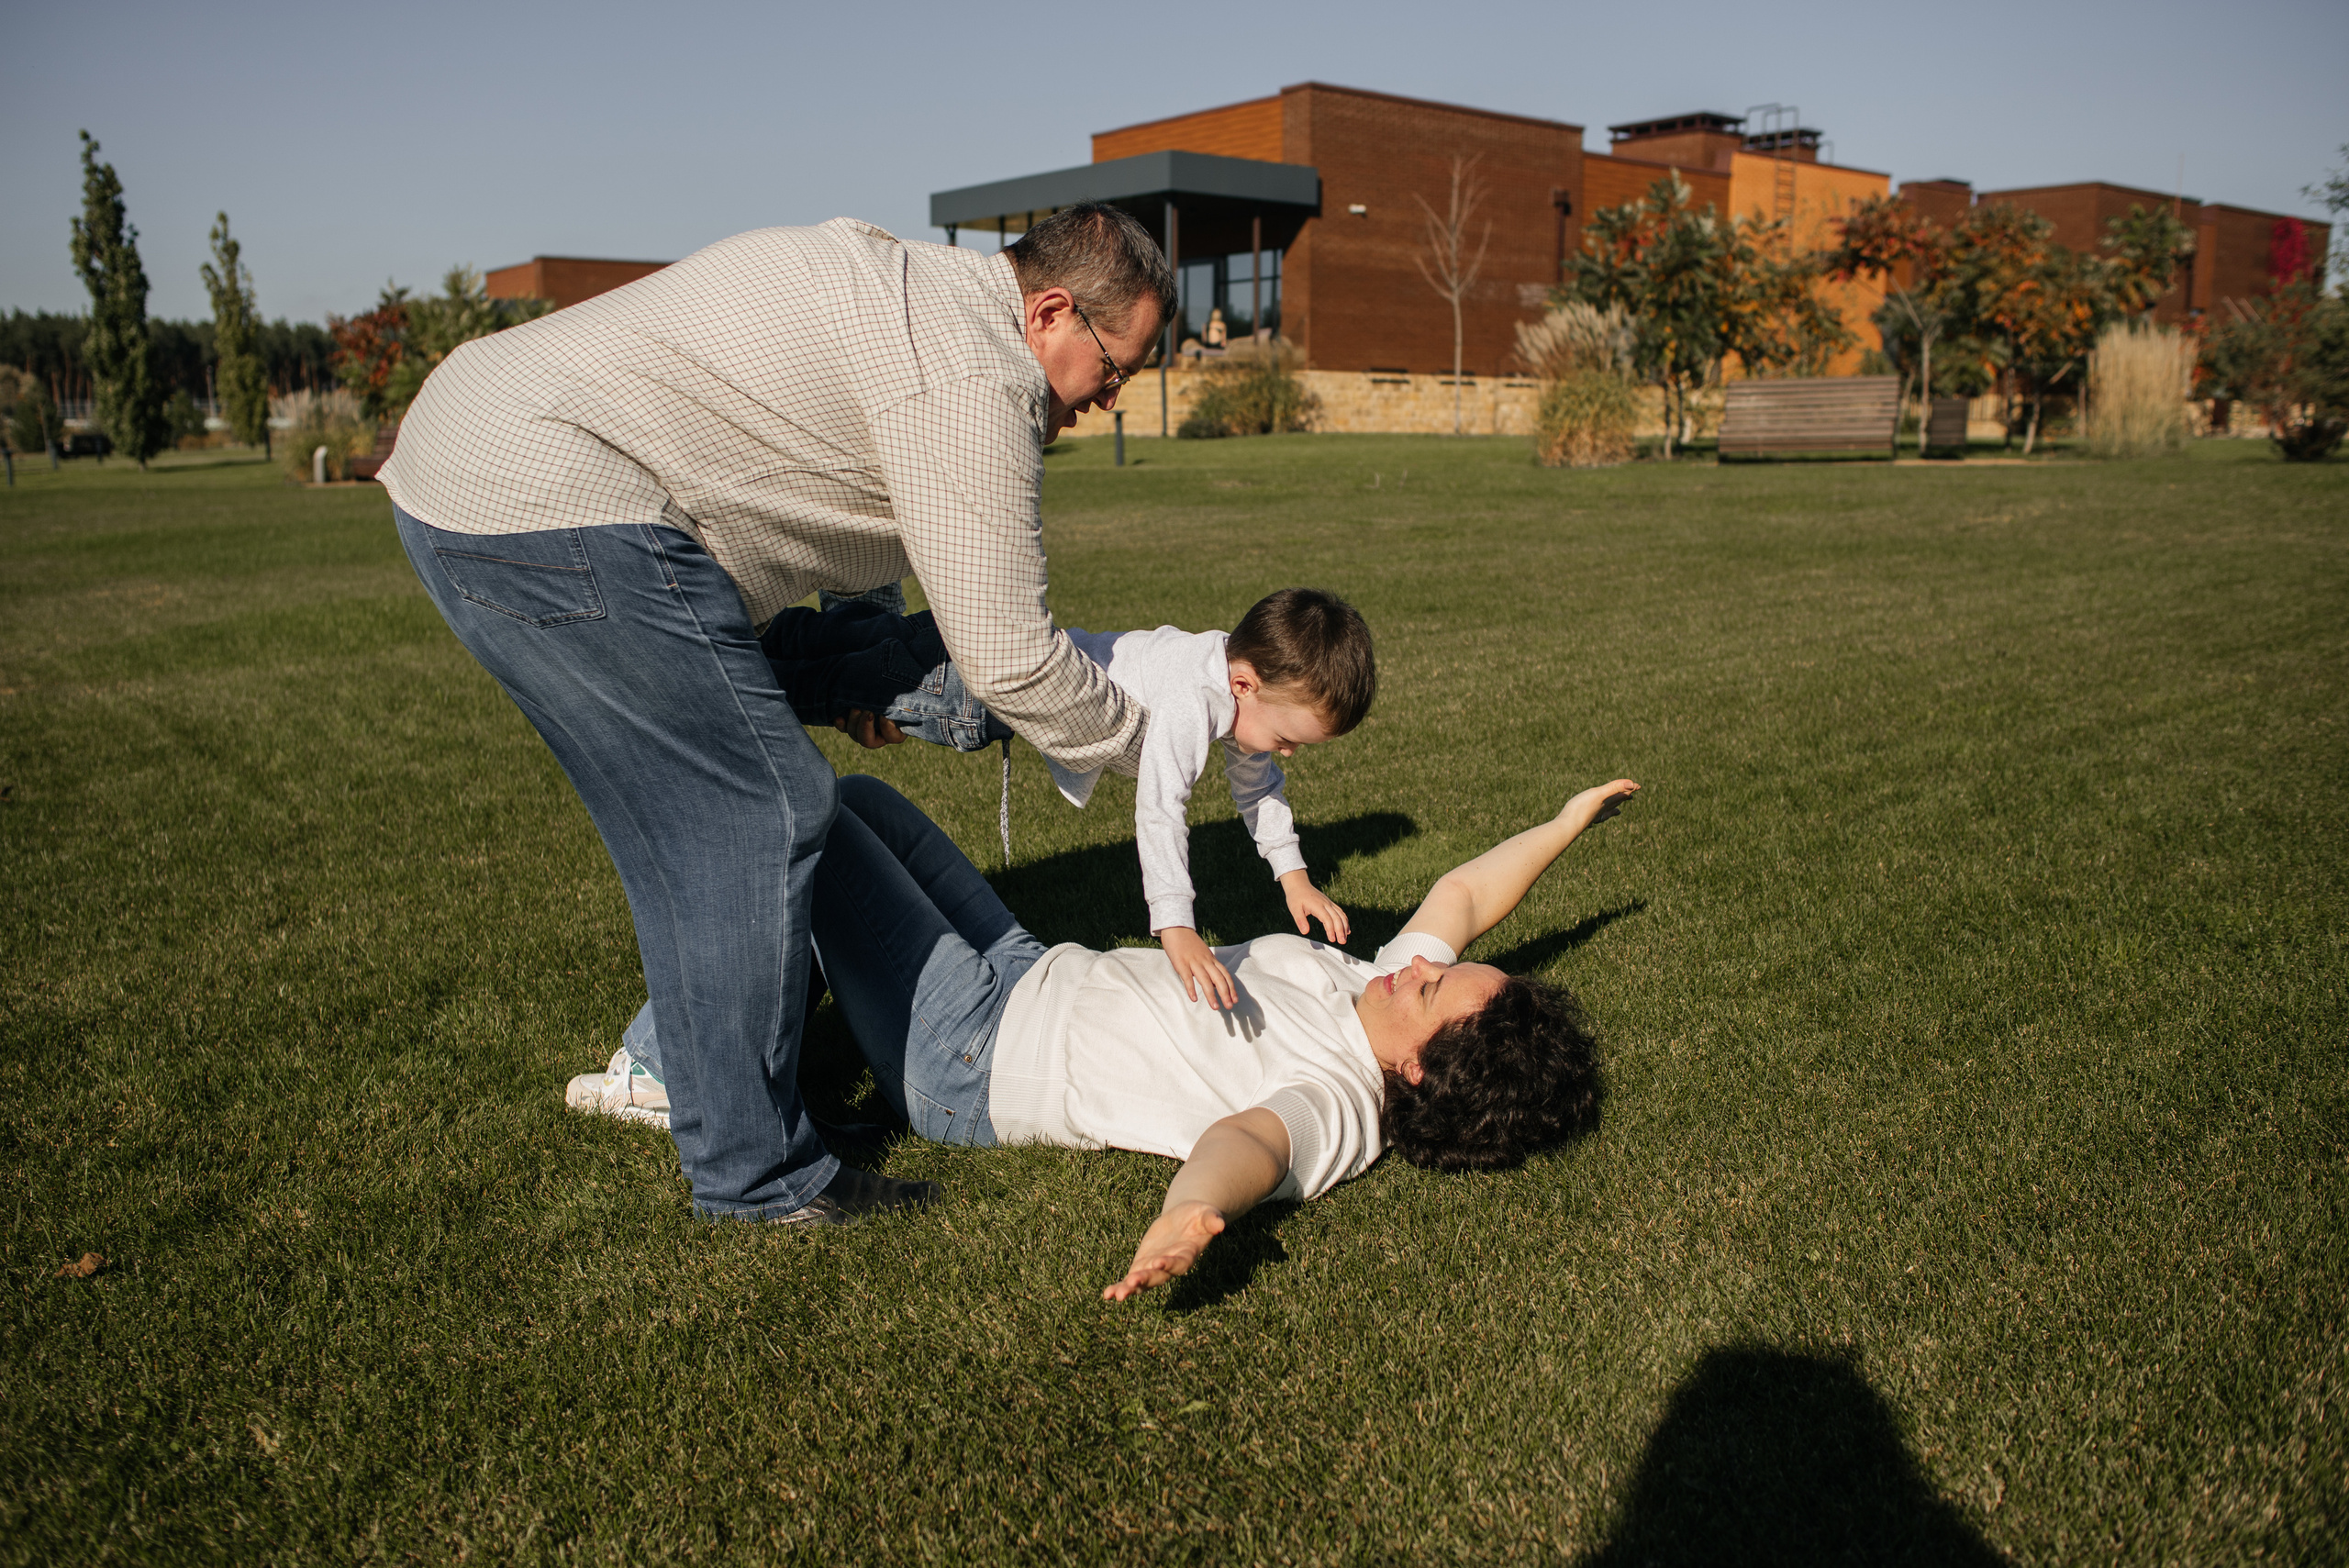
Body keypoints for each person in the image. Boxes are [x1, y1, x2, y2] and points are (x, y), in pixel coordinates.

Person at [380, 203, 1174, 1227]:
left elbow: (863, 496)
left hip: (475, 471)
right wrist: (1157, 745)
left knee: (721, 812)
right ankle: (759, 1179)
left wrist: (860, 672)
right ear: (1051, 311)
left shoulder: (922, 299)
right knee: (758, 812)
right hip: (550, 496)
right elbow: (1012, 658)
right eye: (1114, 367)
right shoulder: (978, 373)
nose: (1109, 399)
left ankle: (703, 1089)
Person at [577, 771, 1639, 1296]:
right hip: (1026, 968)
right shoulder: (1373, 981)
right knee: (858, 800)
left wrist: (1186, 1217)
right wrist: (1568, 819)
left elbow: (1245, 1146)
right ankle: (770, 1025)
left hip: (978, 1053)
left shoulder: (1337, 1099)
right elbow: (1462, 891)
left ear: (1419, 1065)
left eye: (1438, 987)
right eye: (1440, 962)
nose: (1425, 961)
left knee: (804, 827)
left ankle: (664, 1071)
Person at [751, 586, 1375, 1006]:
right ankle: (716, 665)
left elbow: (1258, 783)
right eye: (1288, 737)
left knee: (845, 640)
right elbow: (1161, 807)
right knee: (821, 686)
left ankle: (744, 631)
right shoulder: (1195, 701)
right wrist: (1176, 925)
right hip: (971, 695)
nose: (1285, 752)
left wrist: (1294, 877)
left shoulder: (1225, 669)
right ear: (1245, 683)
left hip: (983, 646)